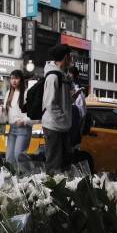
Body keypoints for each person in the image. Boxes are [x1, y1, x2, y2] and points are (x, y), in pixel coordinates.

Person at [41, 44, 73, 172]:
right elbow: (50, 103)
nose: (71, 60)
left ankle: (62, 190)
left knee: (64, 165)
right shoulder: (53, 76)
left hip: (61, 126)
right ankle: (52, 191)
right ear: (66, 57)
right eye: (70, 57)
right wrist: (63, 118)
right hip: (54, 126)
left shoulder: (62, 75)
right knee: (54, 165)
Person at [2, 70, 31, 164]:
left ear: (21, 80)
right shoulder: (8, 93)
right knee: (9, 158)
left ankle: (27, 175)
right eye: (12, 78)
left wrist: (25, 120)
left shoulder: (27, 93)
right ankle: (14, 178)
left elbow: (34, 113)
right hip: (11, 128)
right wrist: (2, 111)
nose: (14, 81)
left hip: (23, 128)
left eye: (16, 78)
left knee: (18, 156)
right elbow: (5, 115)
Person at [68, 66, 87, 149]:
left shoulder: (78, 91)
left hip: (73, 128)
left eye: (69, 73)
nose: (68, 75)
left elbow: (82, 113)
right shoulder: (76, 90)